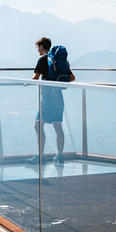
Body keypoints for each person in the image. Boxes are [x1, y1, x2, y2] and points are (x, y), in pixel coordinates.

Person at [29, 36, 74, 164]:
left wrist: (24, 83)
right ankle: (60, 155)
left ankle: (40, 155)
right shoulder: (58, 60)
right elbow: (72, 78)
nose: (37, 49)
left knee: (38, 125)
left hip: (47, 99)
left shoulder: (43, 59)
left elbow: (36, 77)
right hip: (58, 97)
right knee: (57, 126)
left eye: (37, 47)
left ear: (42, 46)